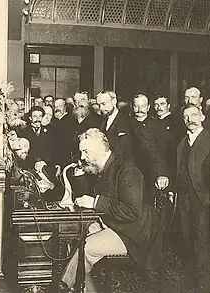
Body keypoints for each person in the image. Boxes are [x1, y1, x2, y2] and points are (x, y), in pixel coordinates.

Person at [60, 128, 144, 291]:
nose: (82, 157)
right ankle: (85, 288)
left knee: (86, 246)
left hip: (131, 233)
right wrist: (79, 177)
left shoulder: (127, 170)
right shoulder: (104, 167)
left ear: (99, 149)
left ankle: (63, 286)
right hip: (113, 224)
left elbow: (132, 212)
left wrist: (96, 203)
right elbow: (88, 195)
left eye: (85, 152)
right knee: (76, 233)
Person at [175, 104, 210, 291]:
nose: (191, 119)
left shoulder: (208, 139)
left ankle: (204, 284)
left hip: (203, 200)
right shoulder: (182, 143)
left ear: (202, 117)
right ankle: (194, 279)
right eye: (186, 116)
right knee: (188, 238)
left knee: (202, 242)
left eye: (195, 115)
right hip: (184, 200)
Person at [129, 94, 169, 201]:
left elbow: (162, 153)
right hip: (131, 174)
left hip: (151, 175)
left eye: (143, 106)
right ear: (132, 107)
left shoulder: (158, 126)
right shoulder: (126, 124)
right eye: (136, 106)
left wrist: (161, 173)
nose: (139, 109)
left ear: (148, 107)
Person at [96, 90, 132, 159]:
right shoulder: (101, 123)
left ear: (114, 101)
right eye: (99, 105)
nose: (101, 108)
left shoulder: (126, 122)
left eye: (104, 104)